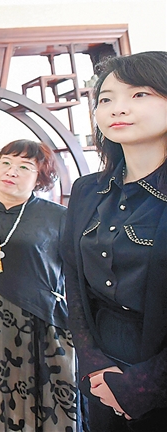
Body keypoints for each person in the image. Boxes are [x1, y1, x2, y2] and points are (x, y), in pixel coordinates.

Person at [61, 51, 167, 431]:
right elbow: (74, 283)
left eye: (139, 94)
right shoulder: (86, 190)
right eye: (106, 99)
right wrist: (92, 364)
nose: (117, 108)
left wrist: (144, 385)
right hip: (102, 367)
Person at [0, 139, 79, 431]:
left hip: (42, 313)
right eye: (5, 163)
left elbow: (74, 268)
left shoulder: (59, 216)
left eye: (24, 167)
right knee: (1, 384)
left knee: (52, 386)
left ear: (40, 177)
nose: (11, 171)